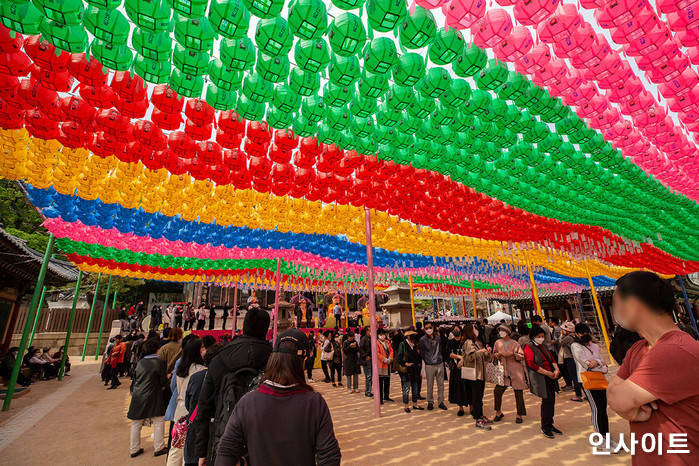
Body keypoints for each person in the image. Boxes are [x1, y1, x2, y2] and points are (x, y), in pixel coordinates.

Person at [607, 271, 699, 464]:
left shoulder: (674, 350)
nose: (615, 311)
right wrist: (627, 407)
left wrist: (626, 406)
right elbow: (613, 395)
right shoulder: (638, 348)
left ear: (633, 306)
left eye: (616, 303)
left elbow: (619, 399)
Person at [215, 328, 341, 466]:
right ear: (304, 361)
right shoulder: (314, 403)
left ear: (273, 358)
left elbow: (225, 453)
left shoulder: (248, 402)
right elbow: (329, 458)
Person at [194, 307, 272, 464]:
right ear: (267, 329)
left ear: (243, 327)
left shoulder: (218, 360)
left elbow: (204, 406)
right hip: (263, 443)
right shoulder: (274, 362)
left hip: (223, 440)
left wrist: (202, 451)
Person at [570, 323, 613, 448]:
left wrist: (598, 363)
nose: (585, 335)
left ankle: (606, 435)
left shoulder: (594, 346)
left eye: (586, 332)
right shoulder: (575, 346)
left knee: (603, 407)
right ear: (577, 334)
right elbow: (585, 363)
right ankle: (599, 437)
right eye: (582, 333)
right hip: (586, 379)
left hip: (599, 379)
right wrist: (601, 366)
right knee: (596, 408)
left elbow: (601, 361)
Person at [127, 337, 169, 458]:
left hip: (138, 394)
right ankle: (159, 446)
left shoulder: (140, 362)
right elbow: (163, 381)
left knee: (136, 423)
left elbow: (135, 377)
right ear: (157, 349)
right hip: (154, 394)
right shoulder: (159, 363)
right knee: (158, 420)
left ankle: (134, 449)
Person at [167, 339, 206, 466]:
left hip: (180, 406)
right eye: (201, 348)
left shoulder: (180, 367)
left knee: (176, 446)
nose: (203, 350)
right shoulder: (200, 369)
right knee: (188, 448)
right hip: (191, 409)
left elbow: (174, 387)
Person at [524, 325, 561, 439]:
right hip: (542, 376)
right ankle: (545, 425)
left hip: (550, 374)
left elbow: (552, 358)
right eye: (539, 336)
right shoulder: (528, 347)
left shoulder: (543, 346)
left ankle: (550, 423)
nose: (542, 338)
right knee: (547, 400)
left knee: (551, 400)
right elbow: (531, 364)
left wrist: (556, 369)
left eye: (543, 336)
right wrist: (546, 372)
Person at [492, 325, 527, 424]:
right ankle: (498, 412)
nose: (501, 333)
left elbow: (522, 356)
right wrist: (497, 355)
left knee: (518, 393)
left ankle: (519, 414)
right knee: (497, 391)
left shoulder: (515, 344)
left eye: (502, 331)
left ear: (507, 332)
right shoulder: (497, 343)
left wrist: (513, 354)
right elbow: (494, 354)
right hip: (503, 371)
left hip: (515, 371)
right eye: (500, 331)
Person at [461, 323, 492, 429]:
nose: (476, 330)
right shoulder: (468, 343)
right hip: (474, 374)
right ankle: (477, 418)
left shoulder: (477, 342)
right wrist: (480, 351)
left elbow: (482, 356)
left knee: (480, 395)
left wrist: (487, 352)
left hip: (481, 373)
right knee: (476, 396)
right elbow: (470, 357)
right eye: (474, 329)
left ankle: (481, 415)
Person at [418, 322, 446, 411]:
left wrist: (440, 357)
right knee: (430, 384)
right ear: (424, 330)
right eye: (426, 328)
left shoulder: (438, 338)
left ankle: (441, 401)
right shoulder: (422, 340)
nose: (429, 329)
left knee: (440, 384)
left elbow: (441, 348)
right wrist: (426, 360)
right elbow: (422, 352)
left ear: (433, 327)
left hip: (439, 362)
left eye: (430, 327)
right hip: (429, 364)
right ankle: (430, 402)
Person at [396, 330, 424, 413]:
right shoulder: (403, 344)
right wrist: (405, 363)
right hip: (406, 370)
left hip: (414, 369)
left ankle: (415, 404)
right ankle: (406, 405)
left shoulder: (414, 345)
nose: (413, 337)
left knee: (415, 388)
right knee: (406, 388)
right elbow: (399, 357)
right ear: (407, 336)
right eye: (411, 335)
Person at [447, 325, 470, 416]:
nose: (456, 331)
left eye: (457, 329)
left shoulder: (465, 342)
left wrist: (462, 359)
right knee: (458, 387)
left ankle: (471, 405)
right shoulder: (450, 342)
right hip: (456, 369)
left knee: (468, 386)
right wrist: (458, 357)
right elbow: (448, 353)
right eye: (454, 330)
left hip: (466, 367)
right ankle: (460, 407)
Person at [559, 322, 583, 401]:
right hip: (577, 358)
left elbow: (560, 342)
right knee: (580, 376)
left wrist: (561, 335)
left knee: (574, 377)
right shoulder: (575, 336)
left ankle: (578, 395)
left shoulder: (567, 338)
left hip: (570, 358)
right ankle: (586, 393)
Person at [376, 328, 394, 403]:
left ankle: (386, 396)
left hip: (388, 365)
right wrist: (384, 359)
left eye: (384, 334)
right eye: (381, 334)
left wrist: (390, 358)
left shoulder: (387, 342)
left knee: (387, 381)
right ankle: (380, 398)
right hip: (380, 365)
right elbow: (377, 353)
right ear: (378, 335)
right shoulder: (376, 343)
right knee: (380, 383)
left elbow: (391, 351)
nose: (383, 336)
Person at [358, 327, 372, 397]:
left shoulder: (372, 338)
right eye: (370, 330)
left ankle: (369, 390)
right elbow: (360, 348)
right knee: (368, 376)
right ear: (367, 331)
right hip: (366, 360)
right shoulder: (364, 339)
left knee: (370, 376)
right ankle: (367, 391)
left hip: (371, 359)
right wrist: (365, 356)